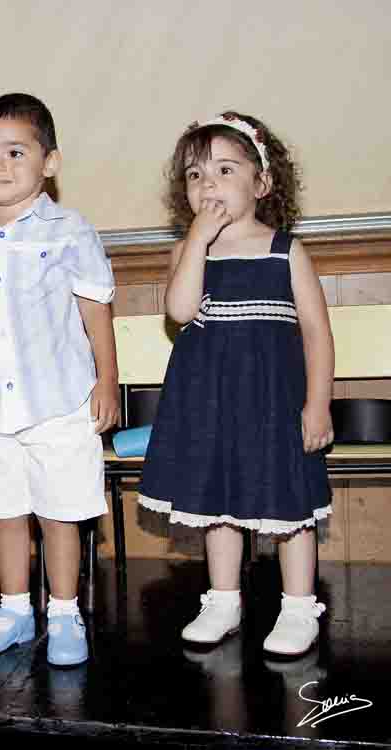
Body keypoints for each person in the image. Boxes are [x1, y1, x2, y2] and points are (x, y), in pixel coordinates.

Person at [139, 111, 334, 658]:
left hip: (273, 404)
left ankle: (299, 607)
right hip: (210, 404)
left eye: (225, 170)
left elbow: (318, 333)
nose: (209, 185)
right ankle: (223, 599)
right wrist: (197, 241)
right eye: (196, 175)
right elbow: (179, 311)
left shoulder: (284, 250)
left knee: (288, 506)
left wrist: (317, 404)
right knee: (217, 504)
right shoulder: (188, 252)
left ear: (262, 182)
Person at [0, 93, 119, 666]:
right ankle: (13, 609)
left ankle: (64, 612)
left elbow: (96, 310)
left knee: (58, 511)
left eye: (15, 152)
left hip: (58, 401)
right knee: (3, 511)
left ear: (50, 162)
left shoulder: (70, 230)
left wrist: (107, 380)